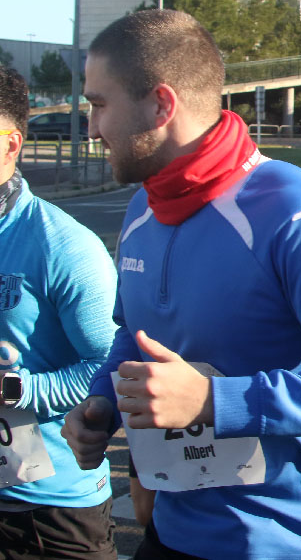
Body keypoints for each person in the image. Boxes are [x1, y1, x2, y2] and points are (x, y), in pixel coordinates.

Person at [60, 9, 301, 559]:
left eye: (98, 104)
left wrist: (214, 401)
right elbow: (135, 332)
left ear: (160, 104)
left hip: (294, 540)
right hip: (179, 528)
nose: (90, 127)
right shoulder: (140, 211)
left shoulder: (295, 213)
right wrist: (103, 401)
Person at [0, 67, 118, 558]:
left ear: (10, 145)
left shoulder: (63, 246)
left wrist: (14, 389)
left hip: (48, 510)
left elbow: (110, 366)